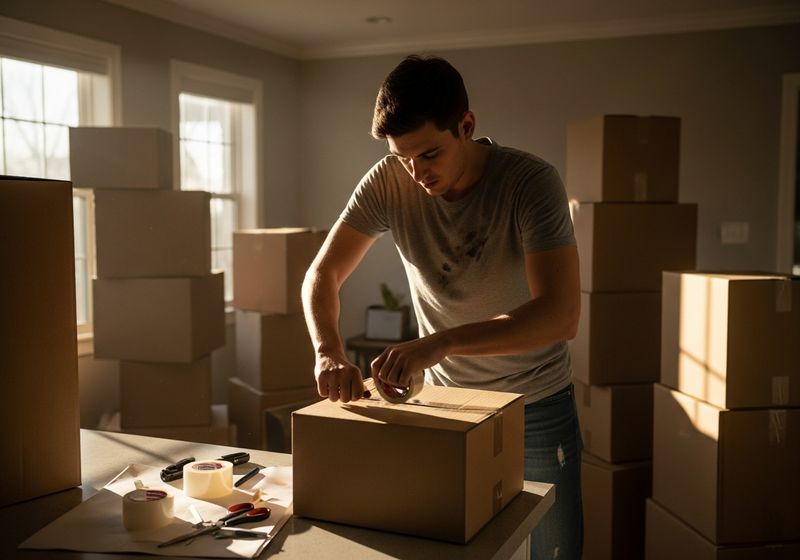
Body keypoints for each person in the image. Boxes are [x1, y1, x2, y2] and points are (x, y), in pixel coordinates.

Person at [301, 54, 583, 560]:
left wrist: (440, 342)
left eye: (429, 154)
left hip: (536, 405)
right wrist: (327, 351)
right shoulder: (390, 179)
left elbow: (561, 315)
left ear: (467, 126)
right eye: (402, 156)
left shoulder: (530, 182)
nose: (415, 173)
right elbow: (322, 274)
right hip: (449, 404)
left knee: (552, 551)